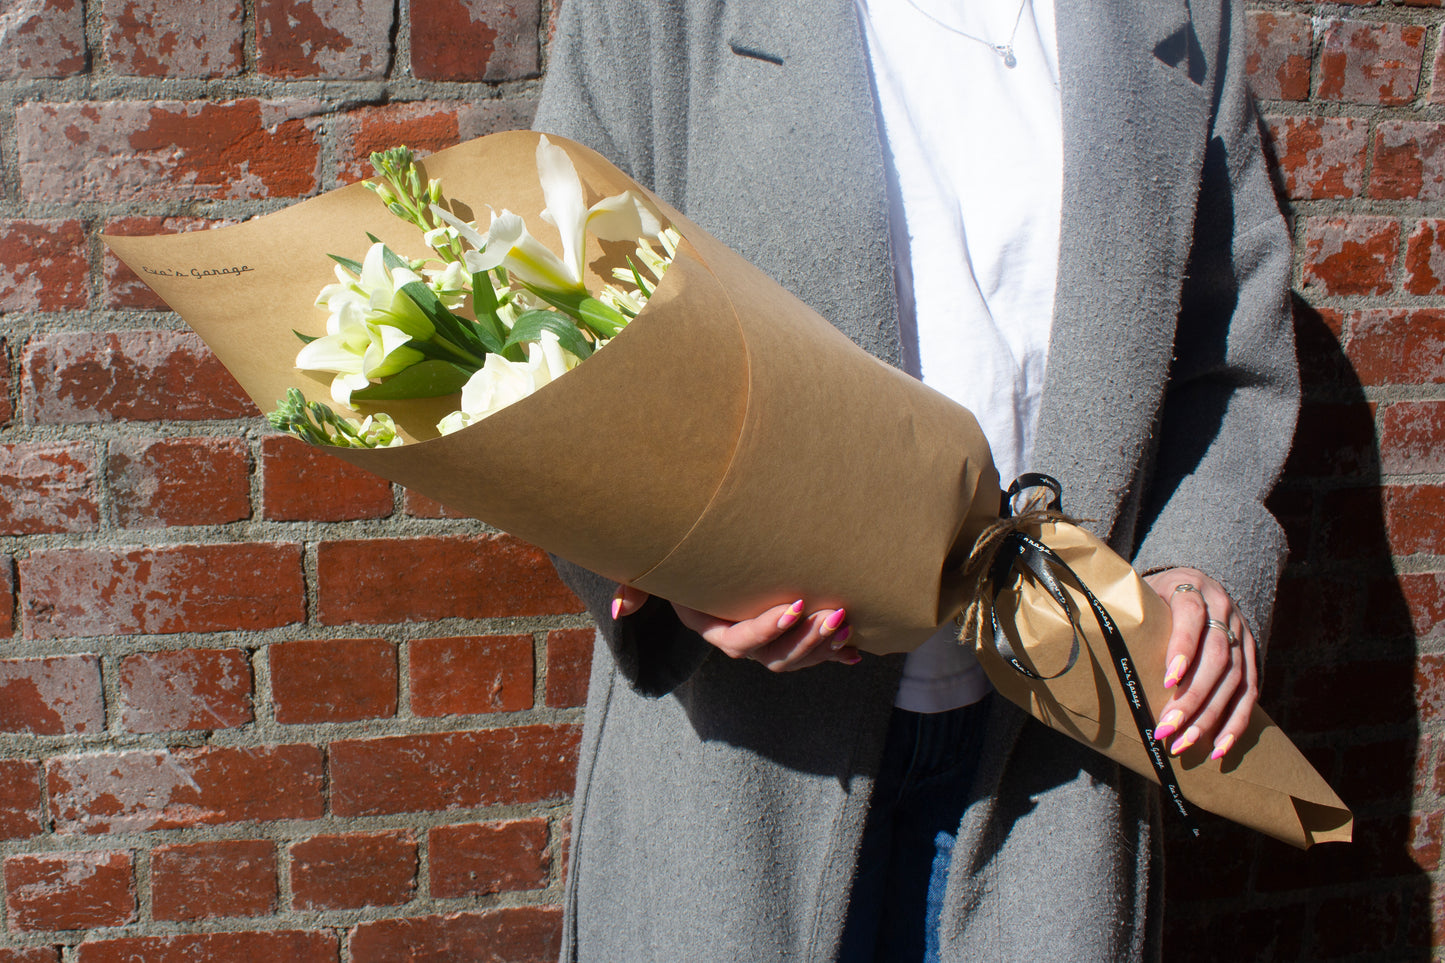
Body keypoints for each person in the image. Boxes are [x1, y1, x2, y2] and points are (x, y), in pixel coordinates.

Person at [533, 0, 1297, 959]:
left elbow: (1225, 359)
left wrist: (1199, 562)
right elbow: (556, 332)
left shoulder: (1176, 18)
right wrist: (670, 573)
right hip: (749, 762)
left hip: (1054, 764)